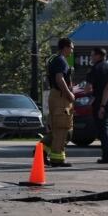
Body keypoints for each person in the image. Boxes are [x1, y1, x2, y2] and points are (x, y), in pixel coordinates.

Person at [42, 37, 75, 167]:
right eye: (71, 48)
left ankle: (42, 151)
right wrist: (69, 94)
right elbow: (59, 79)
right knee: (62, 129)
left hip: (56, 96)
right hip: (61, 97)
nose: (72, 51)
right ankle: (57, 159)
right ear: (65, 47)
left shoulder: (54, 59)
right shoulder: (61, 61)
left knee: (56, 129)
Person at [85, 48, 108, 164]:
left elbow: (88, 88)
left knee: (103, 129)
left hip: (99, 102)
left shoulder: (95, 69)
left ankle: (107, 156)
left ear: (98, 56)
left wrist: (89, 94)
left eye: (92, 55)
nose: (91, 58)